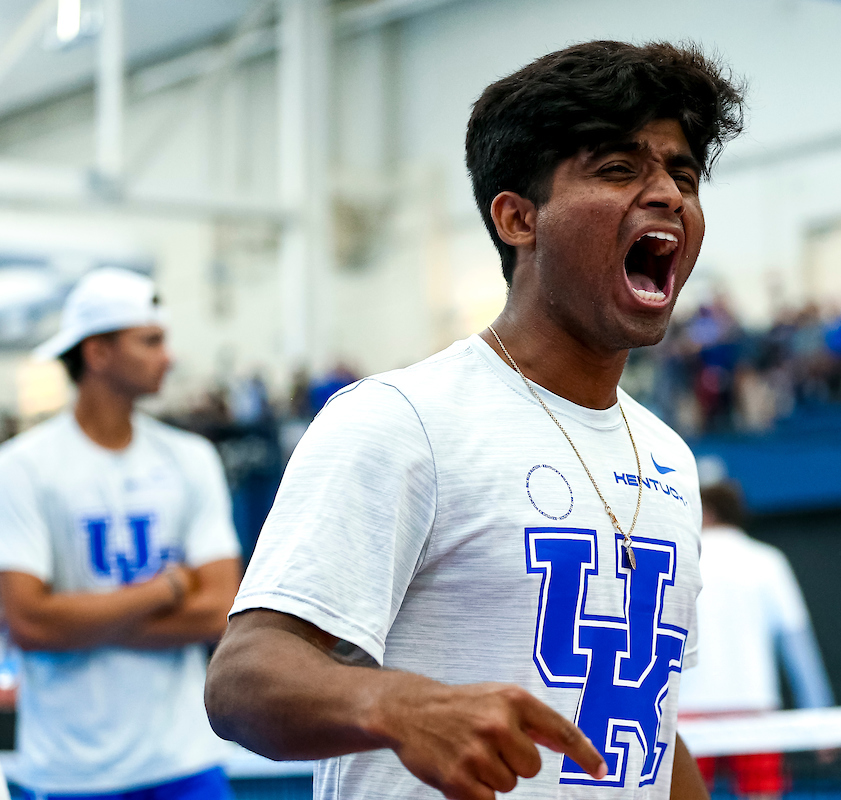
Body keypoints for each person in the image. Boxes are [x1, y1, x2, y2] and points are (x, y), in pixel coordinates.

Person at [204, 40, 745, 800]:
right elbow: (240, 679)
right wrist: (394, 705)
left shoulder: (668, 458)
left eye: (682, 174)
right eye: (619, 169)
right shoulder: (402, 421)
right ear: (518, 218)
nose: (667, 195)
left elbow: (644, 725)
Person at [0, 267, 243, 798]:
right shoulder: (23, 467)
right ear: (98, 353)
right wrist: (167, 590)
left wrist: (73, 620)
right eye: (150, 341)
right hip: (70, 771)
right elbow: (26, 623)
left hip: (184, 761)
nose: (169, 356)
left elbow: (221, 611)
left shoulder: (191, 459)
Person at [678, 481, 833, 799]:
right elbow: (798, 646)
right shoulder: (768, 561)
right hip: (754, 711)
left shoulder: (680, 558)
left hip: (689, 713)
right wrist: (822, 722)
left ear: (705, 512)